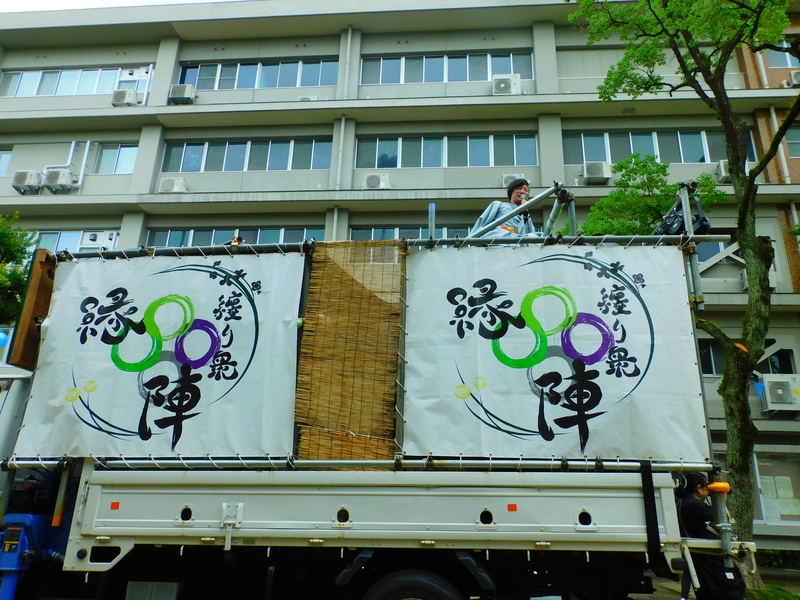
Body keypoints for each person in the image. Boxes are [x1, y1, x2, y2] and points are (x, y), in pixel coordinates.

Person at [677, 472, 745, 600]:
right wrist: (721, 498)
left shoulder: (683, 502)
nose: (709, 492)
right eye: (707, 488)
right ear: (699, 488)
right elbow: (724, 517)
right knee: (731, 588)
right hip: (708, 556)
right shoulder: (694, 505)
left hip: (699, 554)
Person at [469, 178, 537, 238]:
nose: (522, 192)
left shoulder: (526, 216)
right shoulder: (499, 205)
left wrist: (525, 212)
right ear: (511, 192)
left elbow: (529, 235)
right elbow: (482, 221)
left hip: (516, 243)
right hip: (498, 239)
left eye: (526, 190)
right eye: (519, 188)